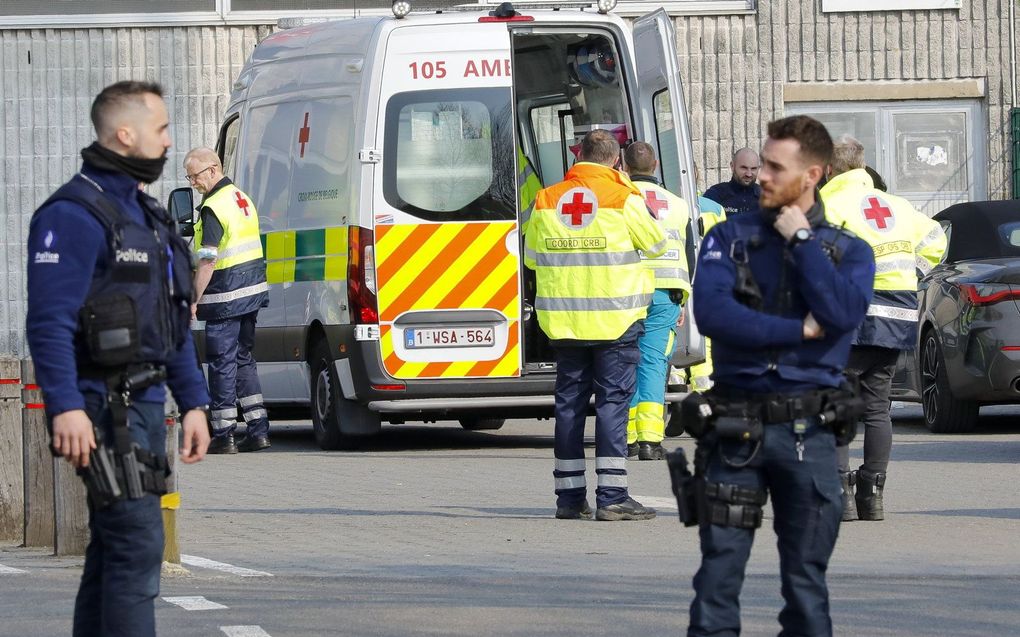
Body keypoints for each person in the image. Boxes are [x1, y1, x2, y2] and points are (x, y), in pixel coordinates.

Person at [25, 80, 211, 637]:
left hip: (147, 406)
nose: (170, 144)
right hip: (102, 407)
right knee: (137, 545)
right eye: (162, 130)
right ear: (125, 135)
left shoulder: (148, 217)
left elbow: (170, 320)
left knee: (112, 551)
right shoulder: (72, 215)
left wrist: (195, 402)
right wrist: (65, 407)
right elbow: (49, 322)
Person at [686, 115, 875, 637]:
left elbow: (841, 315)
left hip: (808, 434)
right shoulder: (729, 236)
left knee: (806, 586)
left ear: (812, 173)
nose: (763, 175)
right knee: (717, 580)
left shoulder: (848, 250)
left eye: (775, 166)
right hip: (734, 430)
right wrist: (799, 328)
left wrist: (805, 244)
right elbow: (715, 316)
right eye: (762, 164)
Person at [524, 129, 666, 521]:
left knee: (568, 407)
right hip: (615, 322)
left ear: (578, 156)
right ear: (616, 160)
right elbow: (656, 244)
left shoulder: (547, 199)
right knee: (612, 407)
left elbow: (532, 258)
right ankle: (613, 496)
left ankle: (569, 500)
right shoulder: (624, 197)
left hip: (565, 324)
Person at [821, 135, 946, 521]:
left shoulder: (827, 203)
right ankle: (872, 494)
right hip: (897, 314)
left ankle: (840, 494)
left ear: (829, 168)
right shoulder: (898, 205)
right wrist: (915, 275)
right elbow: (936, 241)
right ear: (862, 165)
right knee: (877, 407)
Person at [184, 147, 271, 454]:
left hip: (225, 295)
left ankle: (224, 434)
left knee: (222, 363)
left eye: (194, 176)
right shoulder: (241, 198)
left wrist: (193, 298)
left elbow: (207, 259)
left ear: (212, 169)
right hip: (251, 292)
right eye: (189, 177)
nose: (193, 182)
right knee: (244, 358)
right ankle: (259, 430)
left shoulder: (213, 207)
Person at [621, 141, 691, 460]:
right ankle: (650, 440)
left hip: (627, 291)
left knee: (623, 362)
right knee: (653, 361)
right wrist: (682, 299)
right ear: (656, 166)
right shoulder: (678, 205)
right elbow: (686, 255)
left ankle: (628, 436)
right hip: (666, 294)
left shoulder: (619, 201)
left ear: (624, 165)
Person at [703, 147, 762, 215]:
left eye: (753, 169)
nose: (749, 174)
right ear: (732, 166)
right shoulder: (715, 194)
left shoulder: (767, 197)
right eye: (744, 168)